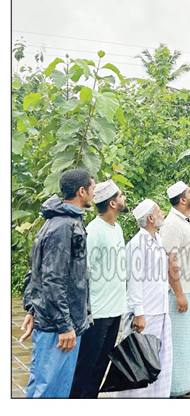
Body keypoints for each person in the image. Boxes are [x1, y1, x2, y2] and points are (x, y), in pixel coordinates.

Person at [20, 168, 95, 398]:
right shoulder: (63, 225)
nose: (94, 193)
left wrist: (32, 307)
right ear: (81, 191)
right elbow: (52, 278)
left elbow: (39, 270)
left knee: (57, 389)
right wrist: (64, 325)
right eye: (92, 188)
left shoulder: (64, 220)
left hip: (61, 320)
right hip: (58, 326)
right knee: (47, 390)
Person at [69, 179, 128, 398]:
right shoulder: (94, 231)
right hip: (97, 314)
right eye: (120, 195)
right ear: (112, 204)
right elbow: (84, 272)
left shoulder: (117, 228)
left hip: (115, 310)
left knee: (100, 368)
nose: (124, 198)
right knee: (86, 370)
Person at [116, 198, 173, 398]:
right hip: (146, 314)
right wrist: (139, 313)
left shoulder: (158, 239)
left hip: (161, 310)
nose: (162, 213)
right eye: (159, 211)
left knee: (158, 361)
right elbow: (134, 281)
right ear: (150, 218)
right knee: (139, 362)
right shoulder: (137, 244)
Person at [160, 180, 190, 398]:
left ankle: (185, 384)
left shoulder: (187, 220)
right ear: (183, 200)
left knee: (186, 343)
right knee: (176, 342)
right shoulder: (172, 223)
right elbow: (170, 261)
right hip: (180, 292)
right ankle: (175, 389)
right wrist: (179, 293)